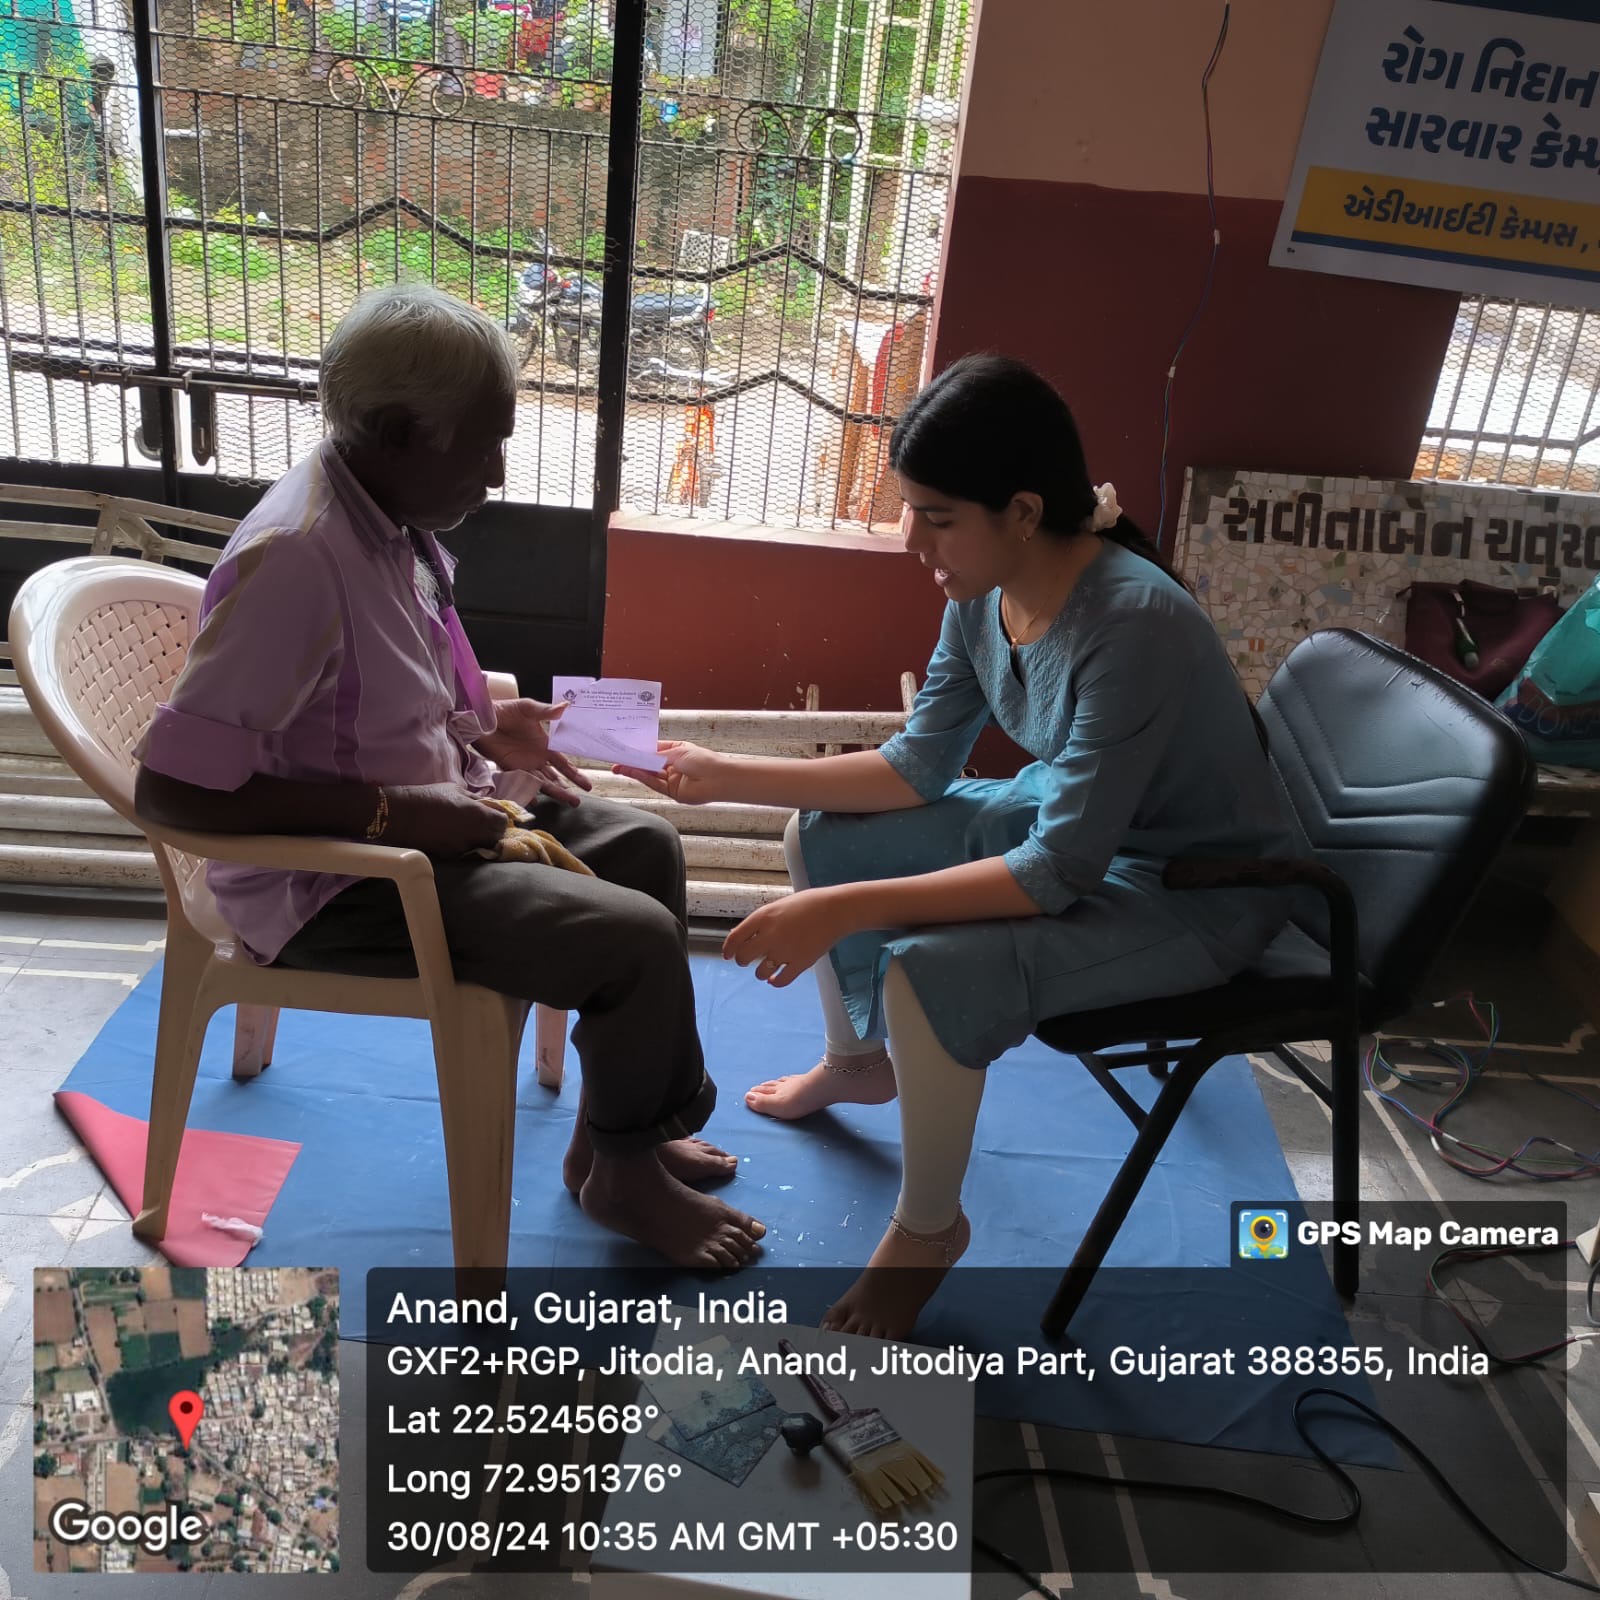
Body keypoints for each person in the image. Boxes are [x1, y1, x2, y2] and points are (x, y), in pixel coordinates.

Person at [617, 354, 1296, 1334]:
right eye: (910, 511)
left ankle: (928, 1230)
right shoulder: (982, 591)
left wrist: (842, 911)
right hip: (1082, 825)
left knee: (925, 970)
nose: (911, 540)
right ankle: (858, 1062)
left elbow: (1056, 873)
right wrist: (724, 771)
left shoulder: (1133, 621)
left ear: (1022, 511)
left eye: (936, 517)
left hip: (1198, 886)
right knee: (826, 835)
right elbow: (915, 766)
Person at [133, 284, 765, 1271]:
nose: (499, 473)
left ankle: (619, 1141)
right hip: (335, 882)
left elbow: (373, 689)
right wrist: (396, 815)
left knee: (646, 845)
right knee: (633, 939)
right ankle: (624, 1179)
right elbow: (170, 793)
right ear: (394, 433)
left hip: (434, 817)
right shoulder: (299, 560)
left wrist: (484, 724)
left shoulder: (386, 513)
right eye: (483, 448)